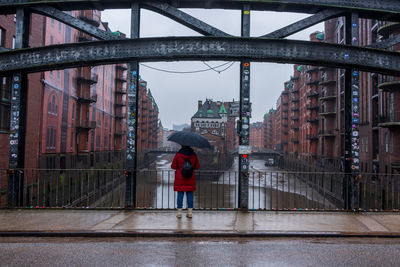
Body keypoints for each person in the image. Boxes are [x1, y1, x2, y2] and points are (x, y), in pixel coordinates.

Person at [171, 145, 200, 218]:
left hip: (180, 178)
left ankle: (179, 213)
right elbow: (197, 166)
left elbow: (173, 166)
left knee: (180, 195)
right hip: (190, 178)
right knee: (190, 195)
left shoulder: (178, 155)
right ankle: (190, 213)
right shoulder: (193, 155)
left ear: (182, 146)